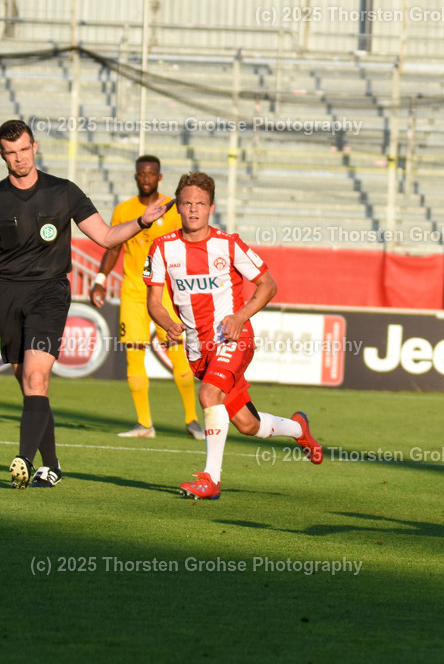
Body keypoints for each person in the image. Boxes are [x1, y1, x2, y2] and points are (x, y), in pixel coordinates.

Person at [1, 119, 171, 488]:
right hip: (6, 296)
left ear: (35, 148)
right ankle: (53, 465)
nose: (19, 159)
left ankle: (23, 460)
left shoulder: (63, 192)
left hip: (48, 294)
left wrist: (142, 222)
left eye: (24, 150)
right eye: (11, 153)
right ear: (3, 155)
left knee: (36, 376)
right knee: (27, 382)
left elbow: (108, 237)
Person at [144, 171, 323, 500]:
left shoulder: (228, 244)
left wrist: (240, 317)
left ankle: (211, 480)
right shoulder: (161, 248)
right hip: (198, 350)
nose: (193, 209)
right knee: (246, 424)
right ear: (177, 208)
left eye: (200, 203)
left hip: (233, 339)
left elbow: (268, 285)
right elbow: (153, 302)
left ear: (211, 207)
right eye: (186, 203)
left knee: (209, 397)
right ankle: (299, 428)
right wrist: (168, 323)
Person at [90, 155, 203, 440]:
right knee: (134, 355)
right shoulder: (124, 210)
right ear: (136, 176)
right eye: (142, 173)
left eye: (151, 173)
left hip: (166, 292)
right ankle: (144, 424)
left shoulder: (173, 207)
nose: (146, 178)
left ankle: (192, 419)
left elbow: (191, 240)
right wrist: (101, 279)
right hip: (133, 292)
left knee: (178, 353)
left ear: (159, 177)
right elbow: (113, 246)